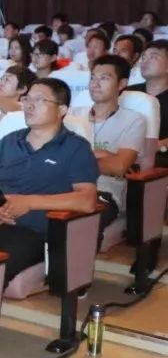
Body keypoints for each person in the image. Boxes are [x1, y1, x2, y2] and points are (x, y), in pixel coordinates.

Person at [0, 78, 99, 283]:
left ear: (61, 110)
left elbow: (87, 200)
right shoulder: (9, 141)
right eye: (27, 99)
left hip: (33, 233)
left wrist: (28, 203)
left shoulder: (76, 147)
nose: (29, 105)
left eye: (39, 100)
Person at [70, 55, 146, 232]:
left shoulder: (134, 120)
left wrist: (72, 159)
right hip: (62, 187)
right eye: (92, 78)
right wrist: (103, 155)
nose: (95, 84)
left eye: (104, 78)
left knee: (77, 226)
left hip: (103, 191)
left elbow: (119, 166)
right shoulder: (72, 114)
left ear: (122, 84)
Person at [127, 39, 168, 166]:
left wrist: (159, 145)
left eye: (153, 57)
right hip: (127, 154)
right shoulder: (127, 93)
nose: (145, 61)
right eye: (143, 57)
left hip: (162, 157)